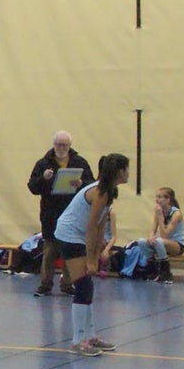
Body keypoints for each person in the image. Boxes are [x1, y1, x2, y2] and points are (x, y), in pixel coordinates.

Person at [52, 153, 130, 356]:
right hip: (70, 235)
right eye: (126, 169)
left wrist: (97, 255)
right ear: (119, 171)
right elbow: (91, 228)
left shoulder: (109, 192)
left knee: (88, 286)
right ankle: (78, 341)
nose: (129, 173)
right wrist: (90, 260)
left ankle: (90, 336)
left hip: (79, 235)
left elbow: (101, 225)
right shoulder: (99, 191)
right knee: (83, 285)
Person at [27, 130, 95, 297]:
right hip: (50, 213)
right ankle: (45, 284)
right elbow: (32, 187)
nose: (61, 147)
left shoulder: (80, 162)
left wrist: (81, 183)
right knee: (49, 249)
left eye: (64, 145)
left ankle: (67, 284)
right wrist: (43, 178)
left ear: (70, 145)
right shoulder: (43, 163)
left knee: (69, 249)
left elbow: (92, 184)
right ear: (53, 144)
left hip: (73, 212)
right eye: (58, 144)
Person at [136, 187, 184, 284]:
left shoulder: (176, 214)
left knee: (159, 241)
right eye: (156, 197)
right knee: (141, 241)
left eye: (160, 197)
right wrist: (150, 237)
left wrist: (160, 217)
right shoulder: (159, 212)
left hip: (177, 245)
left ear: (168, 200)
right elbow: (153, 230)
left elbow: (164, 235)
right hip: (163, 244)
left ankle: (166, 272)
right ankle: (151, 268)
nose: (157, 199)